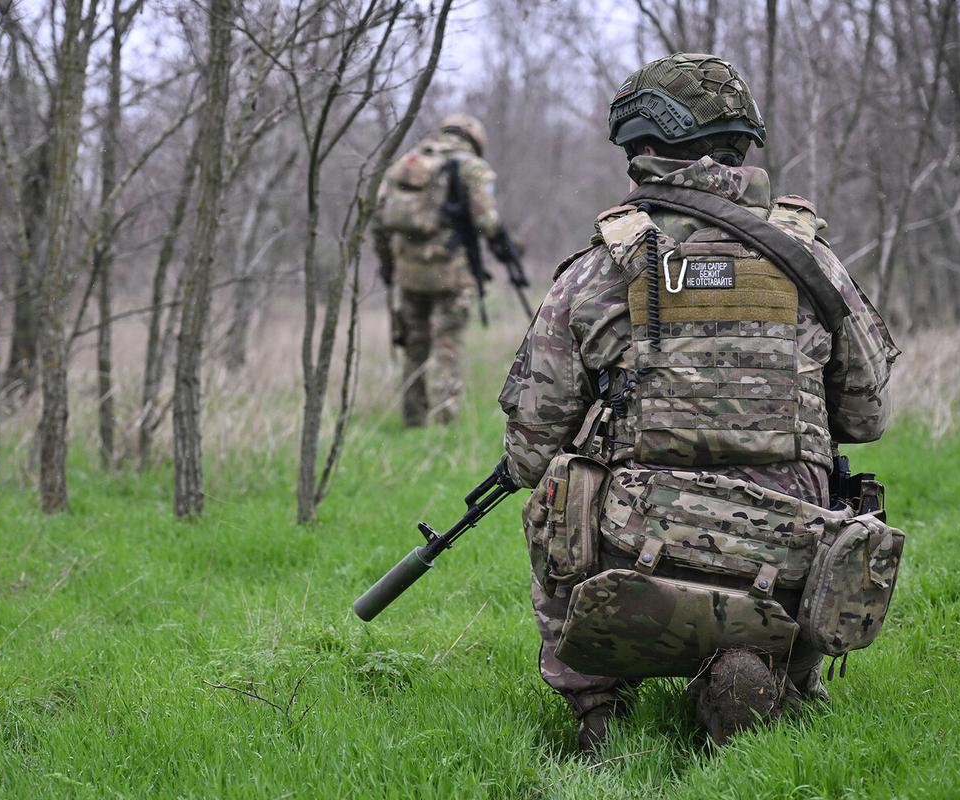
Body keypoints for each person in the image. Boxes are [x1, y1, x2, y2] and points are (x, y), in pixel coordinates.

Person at [497, 53, 900, 751]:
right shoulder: (812, 261)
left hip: (633, 561)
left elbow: (532, 451)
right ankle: (778, 673)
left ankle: (598, 708)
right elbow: (867, 417)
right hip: (788, 558)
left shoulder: (599, 271)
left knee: (559, 496)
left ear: (644, 149)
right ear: (741, 145)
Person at [374, 113, 514, 426]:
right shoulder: (470, 166)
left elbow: (379, 220)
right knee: (447, 347)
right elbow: (487, 220)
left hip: (408, 273)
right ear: (476, 139)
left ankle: (413, 420)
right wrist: (505, 246)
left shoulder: (409, 162)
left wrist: (388, 266)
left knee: (414, 346)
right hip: (451, 274)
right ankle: (445, 422)